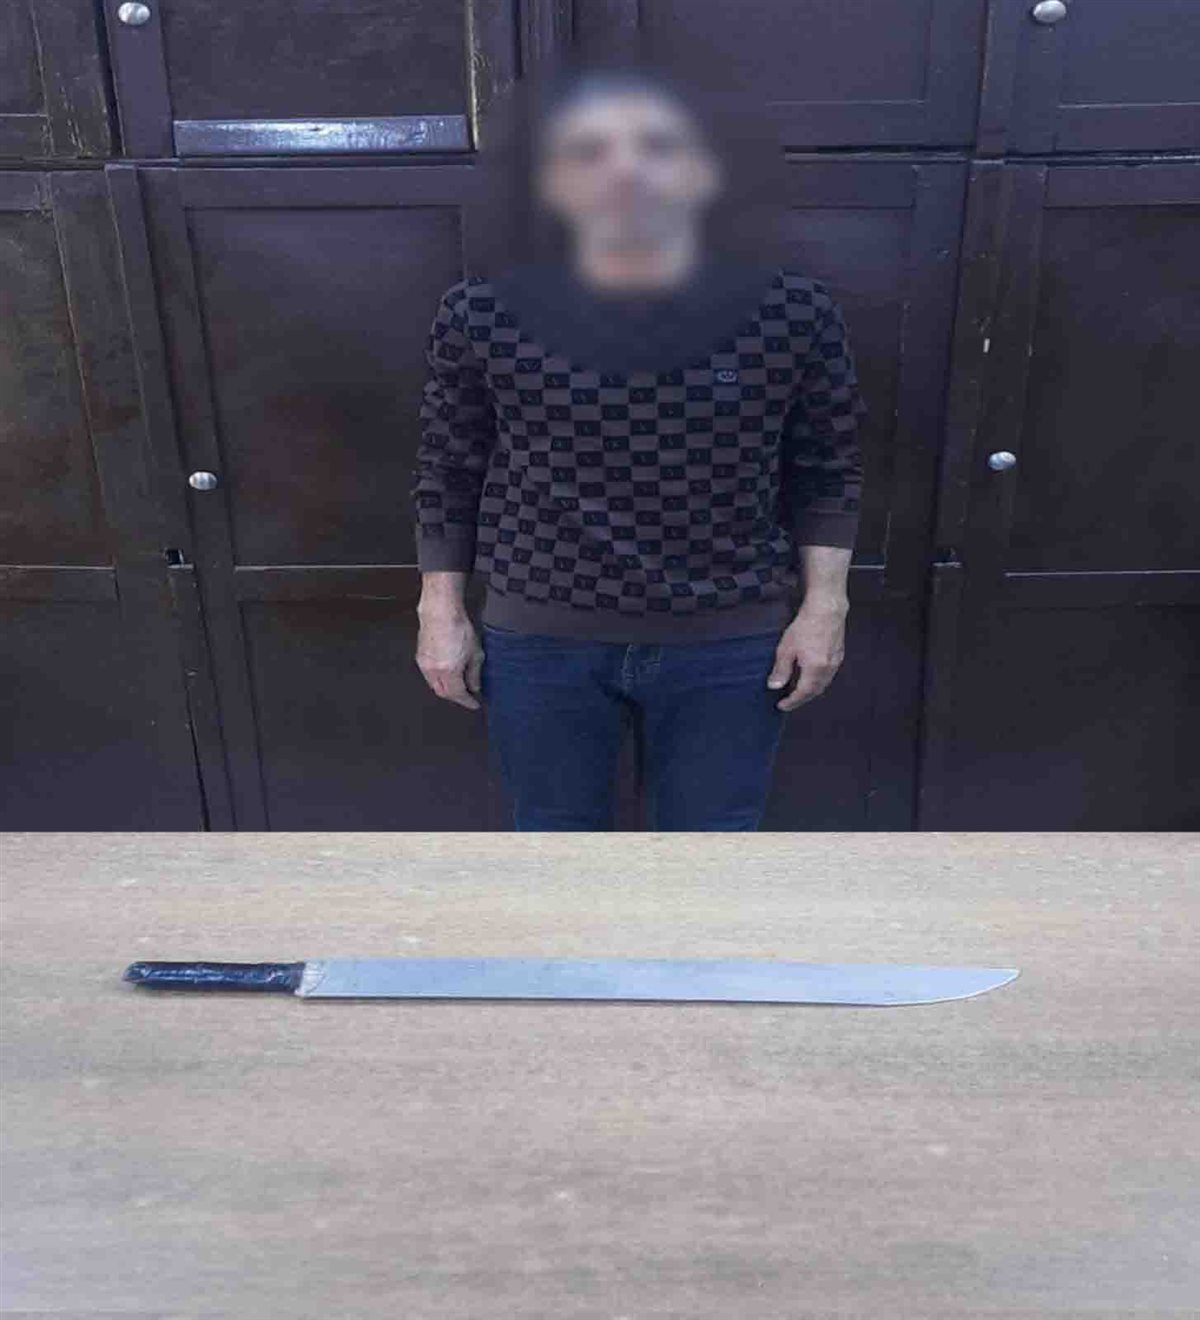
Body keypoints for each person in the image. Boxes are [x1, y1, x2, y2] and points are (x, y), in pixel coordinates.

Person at [410, 61, 870, 831]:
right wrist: (439, 610)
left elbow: (827, 468)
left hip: (729, 639)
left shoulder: (791, 312)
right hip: (541, 638)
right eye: (590, 150)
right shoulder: (482, 313)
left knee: (711, 858)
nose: (625, 168)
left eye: (657, 145)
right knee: (554, 854)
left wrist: (826, 607)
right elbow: (447, 470)